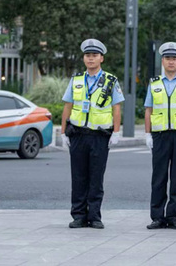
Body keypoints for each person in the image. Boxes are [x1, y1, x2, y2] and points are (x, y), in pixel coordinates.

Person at [60, 39, 124, 230]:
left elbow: (116, 108)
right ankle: (78, 215)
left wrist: (116, 132)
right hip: (78, 135)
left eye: (94, 55)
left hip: (99, 136)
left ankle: (95, 216)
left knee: (96, 177)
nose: (91, 58)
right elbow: (67, 106)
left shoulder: (111, 81)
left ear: (101, 58)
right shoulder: (76, 80)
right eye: (88, 55)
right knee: (78, 177)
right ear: (84, 58)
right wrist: (63, 132)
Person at [144, 42, 176, 230]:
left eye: (174, 58)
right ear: (162, 61)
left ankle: (173, 216)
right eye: (167, 58)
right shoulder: (154, 83)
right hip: (159, 135)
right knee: (158, 177)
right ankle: (157, 216)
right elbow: (148, 110)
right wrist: (148, 133)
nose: (171, 62)